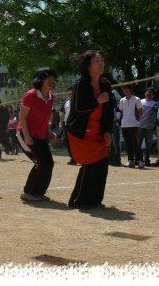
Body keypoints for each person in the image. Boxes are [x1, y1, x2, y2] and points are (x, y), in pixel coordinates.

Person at [66, 50, 114, 209]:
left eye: (102, 60)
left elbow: (110, 110)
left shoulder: (106, 84)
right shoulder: (81, 84)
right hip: (81, 132)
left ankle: (95, 200)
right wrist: (97, 101)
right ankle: (78, 201)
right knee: (90, 165)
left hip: (99, 132)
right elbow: (77, 109)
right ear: (87, 66)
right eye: (96, 61)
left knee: (102, 166)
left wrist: (109, 130)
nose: (101, 63)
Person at [17, 67, 58, 202]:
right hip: (25, 134)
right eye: (48, 77)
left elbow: (45, 117)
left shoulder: (50, 96)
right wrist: (27, 136)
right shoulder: (31, 95)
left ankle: (39, 192)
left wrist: (49, 132)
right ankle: (27, 192)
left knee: (49, 163)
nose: (52, 80)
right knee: (40, 163)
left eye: (53, 77)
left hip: (40, 136)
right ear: (40, 80)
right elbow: (22, 117)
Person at [120, 84, 143, 168]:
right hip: (124, 125)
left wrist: (137, 121)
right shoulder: (122, 100)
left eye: (126, 89)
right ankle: (130, 160)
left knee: (136, 144)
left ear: (131, 89)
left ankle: (140, 161)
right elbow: (122, 112)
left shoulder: (136, 99)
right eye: (124, 89)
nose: (125, 91)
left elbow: (140, 111)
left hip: (133, 125)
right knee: (127, 144)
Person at [138, 87, 157, 166]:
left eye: (151, 92)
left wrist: (155, 122)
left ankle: (147, 159)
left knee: (149, 144)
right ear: (145, 93)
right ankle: (139, 159)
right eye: (147, 92)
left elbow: (156, 115)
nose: (149, 93)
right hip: (139, 126)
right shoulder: (140, 102)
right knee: (138, 143)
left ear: (153, 95)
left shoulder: (154, 104)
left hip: (149, 127)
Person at [59, 87, 77, 165]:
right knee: (68, 142)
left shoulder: (78, 103)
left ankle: (78, 157)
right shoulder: (65, 103)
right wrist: (60, 124)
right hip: (67, 125)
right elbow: (62, 114)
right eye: (69, 94)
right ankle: (73, 158)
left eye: (72, 93)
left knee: (76, 142)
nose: (70, 95)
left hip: (76, 125)